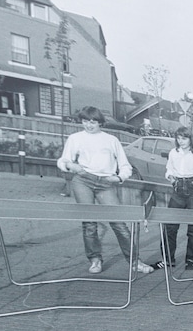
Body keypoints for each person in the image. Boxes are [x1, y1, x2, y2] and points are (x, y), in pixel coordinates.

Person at [57, 106, 155, 275]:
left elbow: (125, 166)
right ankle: (95, 260)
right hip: (83, 181)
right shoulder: (75, 138)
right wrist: (70, 165)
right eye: (85, 121)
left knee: (119, 224)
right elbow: (63, 161)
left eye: (93, 121)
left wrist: (118, 178)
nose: (89, 125)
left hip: (106, 183)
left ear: (100, 122)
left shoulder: (111, 140)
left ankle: (134, 262)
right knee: (89, 223)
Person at [154, 127, 193, 271]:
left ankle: (191, 260)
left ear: (190, 139)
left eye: (184, 138)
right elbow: (169, 170)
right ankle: (168, 259)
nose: (181, 141)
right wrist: (172, 179)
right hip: (178, 191)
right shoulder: (173, 153)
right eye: (179, 138)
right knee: (170, 226)